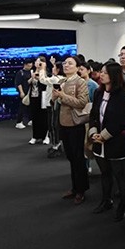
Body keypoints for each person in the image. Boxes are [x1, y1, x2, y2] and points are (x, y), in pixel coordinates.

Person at [88, 61, 125, 221]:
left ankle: (123, 206)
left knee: (120, 175)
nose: (101, 75)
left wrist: (104, 135)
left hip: (115, 141)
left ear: (113, 75)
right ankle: (106, 200)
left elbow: (121, 120)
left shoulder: (121, 95)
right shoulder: (98, 93)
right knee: (105, 173)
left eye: (105, 72)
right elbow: (93, 114)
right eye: (101, 72)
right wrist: (94, 132)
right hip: (99, 142)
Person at [52, 56, 89, 204]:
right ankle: (75, 187)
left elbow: (82, 103)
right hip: (63, 124)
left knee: (78, 158)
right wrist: (54, 97)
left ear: (77, 67)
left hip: (75, 124)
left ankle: (81, 190)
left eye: (70, 63)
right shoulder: (62, 81)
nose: (66, 65)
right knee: (71, 158)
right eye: (65, 63)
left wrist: (62, 95)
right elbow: (55, 102)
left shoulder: (80, 82)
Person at [42, 61, 65, 157]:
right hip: (54, 104)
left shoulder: (55, 79)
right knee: (54, 125)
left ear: (58, 69)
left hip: (52, 104)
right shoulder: (60, 78)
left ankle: (56, 145)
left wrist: (42, 68)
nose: (52, 69)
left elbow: (42, 80)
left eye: (54, 67)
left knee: (52, 125)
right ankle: (56, 144)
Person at [28, 56, 50, 145]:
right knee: (35, 116)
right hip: (33, 96)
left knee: (44, 116)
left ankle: (46, 136)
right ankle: (35, 136)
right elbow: (28, 82)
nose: (37, 63)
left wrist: (41, 73)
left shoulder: (45, 72)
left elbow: (46, 83)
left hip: (43, 97)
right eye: (36, 61)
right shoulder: (32, 71)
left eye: (39, 62)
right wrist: (32, 77)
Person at [14, 59, 33, 129]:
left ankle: (30, 120)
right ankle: (19, 122)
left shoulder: (31, 72)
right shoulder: (20, 72)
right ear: (25, 65)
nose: (30, 67)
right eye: (28, 66)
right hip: (24, 92)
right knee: (22, 107)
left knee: (30, 107)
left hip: (30, 91)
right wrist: (21, 92)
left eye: (31, 66)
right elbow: (19, 83)